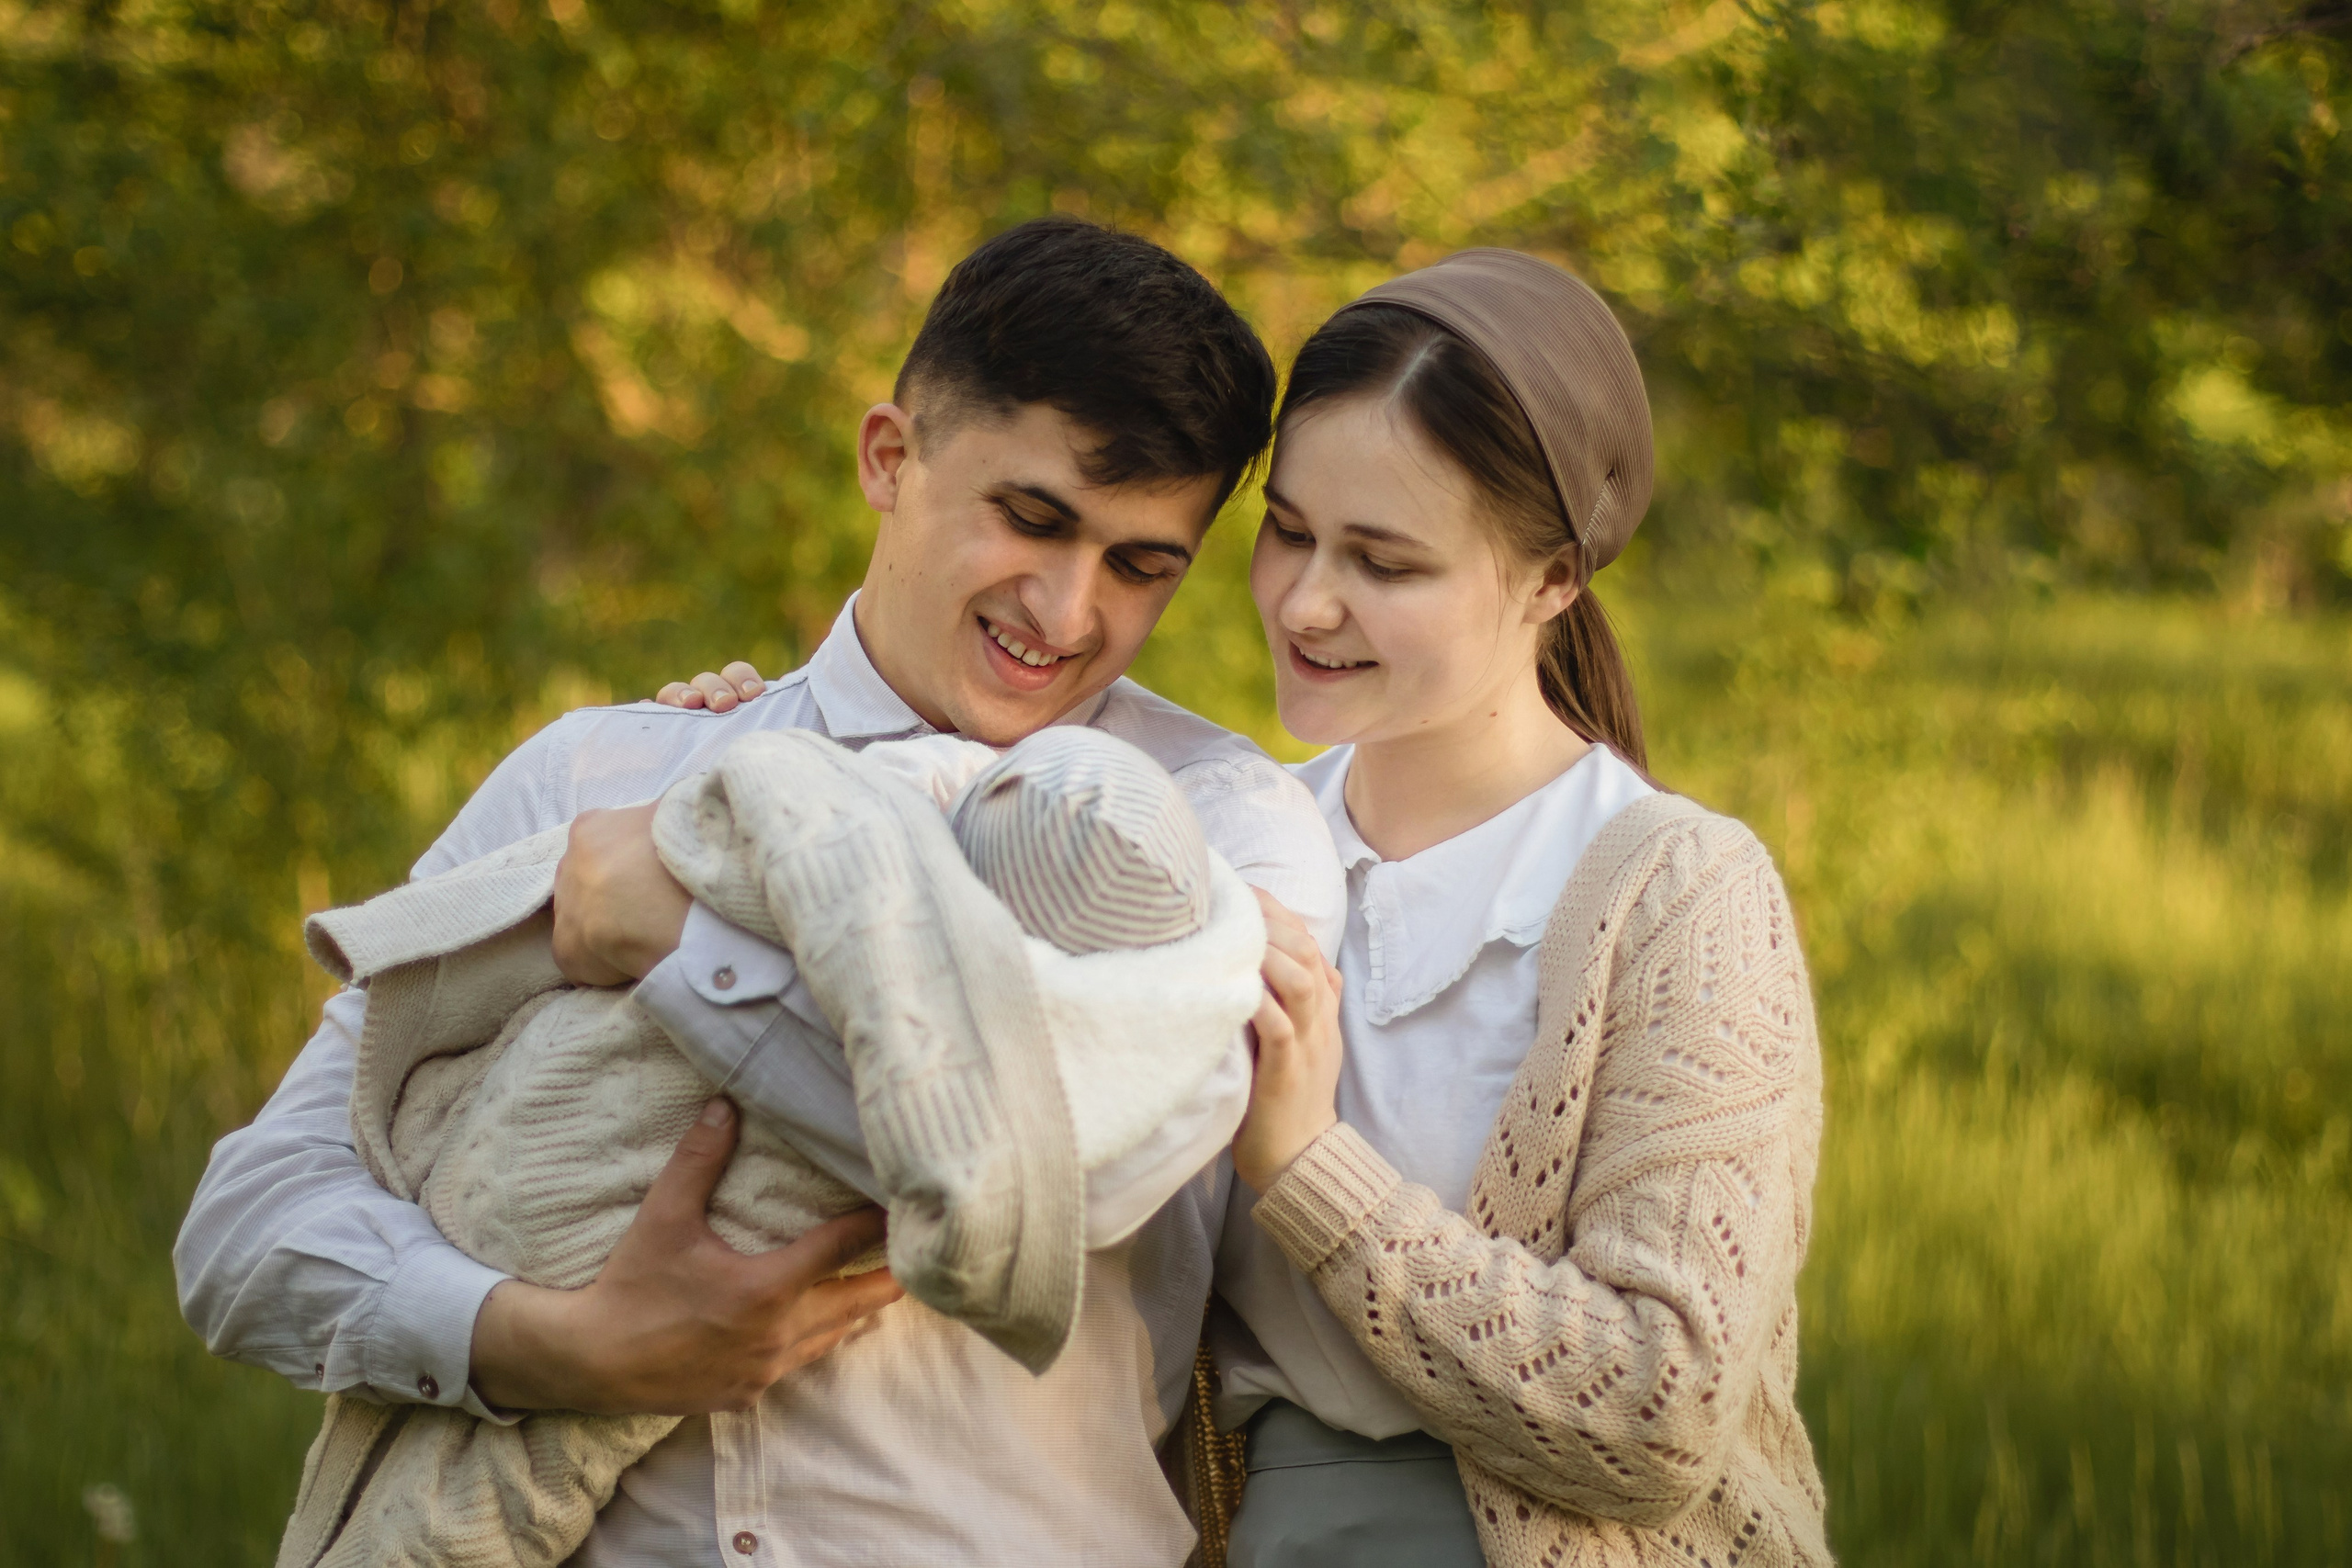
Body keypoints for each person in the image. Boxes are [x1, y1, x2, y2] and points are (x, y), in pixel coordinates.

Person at [175, 217, 1346, 1568]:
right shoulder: (601, 777)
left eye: (1143, 565)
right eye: (1032, 519)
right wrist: (556, 1346)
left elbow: (1068, 1166)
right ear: (890, 458)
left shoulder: (1219, 827)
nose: (1070, 610)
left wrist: (677, 943)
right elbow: (250, 1226)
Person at [666, 249, 1830, 1567]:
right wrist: (758, 760)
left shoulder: (1673, 891)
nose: (1308, 602)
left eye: (1385, 563)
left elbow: (1659, 1410)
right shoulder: (1229, 838)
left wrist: (1303, 1167)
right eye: (1290, 531)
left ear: (1555, 580)